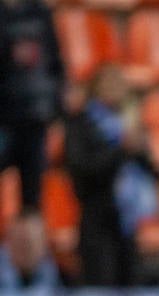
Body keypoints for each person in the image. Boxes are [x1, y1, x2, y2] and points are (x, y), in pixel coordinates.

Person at [63, 64, 159, 288]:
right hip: (96, 220)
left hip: (126, 222)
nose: (115, 89)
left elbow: (151, 172)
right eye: (109, 83)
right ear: (94, 88)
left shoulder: (131, 124)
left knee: (131, 288)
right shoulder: (81, 125)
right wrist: (121, 149)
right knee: (101, 289)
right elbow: (82, 170)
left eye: (119, 83)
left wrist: (142, 149)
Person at [0, 0, 64, 214]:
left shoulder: (39, 12)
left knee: (32, 202)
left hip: (35, 116)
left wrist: (55, 108)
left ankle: (30, 243)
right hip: (4, 117)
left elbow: (55, 63)